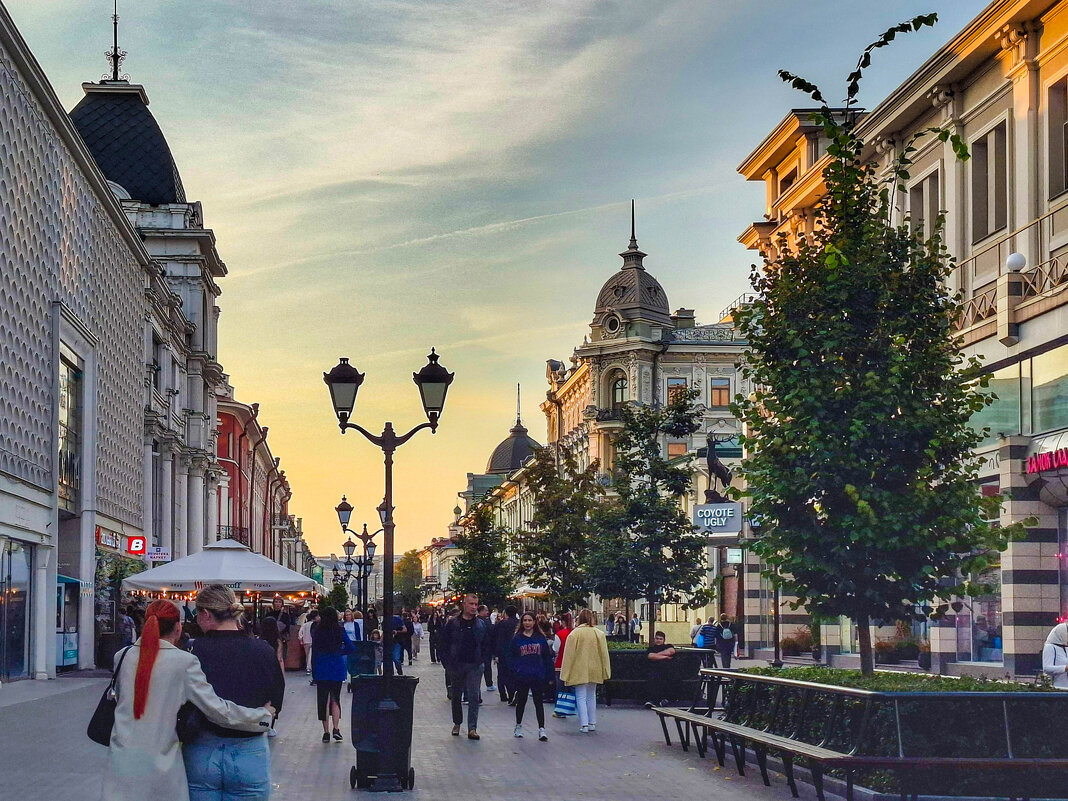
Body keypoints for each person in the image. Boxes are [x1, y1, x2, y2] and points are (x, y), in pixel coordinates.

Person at [102, 599, 274, 801]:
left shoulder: (122, 657)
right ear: (178, 627)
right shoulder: (184, 662)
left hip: (121, 762)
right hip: (162, 766)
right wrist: (261, 717)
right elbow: (217, 711)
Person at [185, 585, 285, 798]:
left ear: (205, 614)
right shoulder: (263, 651)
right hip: (250, 748)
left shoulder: (192, 652)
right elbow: (277, 698)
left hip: (202, 746)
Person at [439, 593, 490, 739]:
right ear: (464, 604)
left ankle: (472, 728)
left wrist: (483, 661)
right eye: (471, 604)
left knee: (474, 696)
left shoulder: (480, 624)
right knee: (456, 695)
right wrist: (447, 663)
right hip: (456, 664)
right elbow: (444, 643)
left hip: (474, 664)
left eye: (476, 604)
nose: (474, 607)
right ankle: (457, 722)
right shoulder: (453, 623)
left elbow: (486, 643)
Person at [560, 608, 611, 733]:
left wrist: (565, 673)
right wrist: (606, 670)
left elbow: (569, 655)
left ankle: (584, 724)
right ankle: (592, 722)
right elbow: (604, 654)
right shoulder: (599, 634)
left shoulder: (574, 634)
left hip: (579, 669)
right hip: (595, 668)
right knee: (591, 695)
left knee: (581, 696)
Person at [311, 607, 355, 743]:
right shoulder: (339, 630)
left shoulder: (317, 631)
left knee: (323, 700)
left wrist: (314, 671)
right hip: (336, 666)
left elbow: (314, 652)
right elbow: (352, 648)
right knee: (335, 698)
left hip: (322, 667)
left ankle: (326, 732)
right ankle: (336, 728)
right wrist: (340, 652)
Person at [508, 612, 554, 741]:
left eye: (530, 620)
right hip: (522, 674)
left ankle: (542, 729)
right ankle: (518, 725)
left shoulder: (540, 638)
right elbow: (511, 656)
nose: (527, 623)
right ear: (522, 623)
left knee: (538, 702)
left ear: (534, 622)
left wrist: (549, 675)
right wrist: (515, 671)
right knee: (521, 701)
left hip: (537, 674)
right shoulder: (517, 638)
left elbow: (547, 658)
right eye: (525, 620)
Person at [491, 605, 519, 703]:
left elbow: (496, 639)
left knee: (502, 674)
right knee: (515, 674)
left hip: (503, 652)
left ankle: (504, 694)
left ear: (506, 613)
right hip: (517, 653)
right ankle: (515, 692)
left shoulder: (502, 624)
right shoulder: (520, 623)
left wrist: (495, 654)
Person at [643, 631, 677, 708]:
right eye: (657, 638)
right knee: (653, 678)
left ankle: (663, 699)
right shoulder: (651, 648)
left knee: (666, 678)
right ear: (654, 639)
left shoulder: (668, 646)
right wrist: (665, 657)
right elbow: (650, 656)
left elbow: (671, 651)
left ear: (664, 640)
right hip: (654, 670)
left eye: (660, 639)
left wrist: (657, 656)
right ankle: (652, 701)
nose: (658, 640)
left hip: (667, 670)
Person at [552, 612, 574, 719]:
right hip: (574, 665)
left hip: (560, 664)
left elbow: (555, 649)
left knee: (560, 688)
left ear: (563, 621)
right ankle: (570, 708)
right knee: (571, 688)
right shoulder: (575, 633)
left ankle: (559, 710)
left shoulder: (560, 634)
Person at [1043, 622, 1068, 689]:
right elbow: (1046, 668)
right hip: (1058, 688)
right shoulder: (1050, 647)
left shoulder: (1066, 647)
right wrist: (1065, 668)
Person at [477, 605, 495, 691]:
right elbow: (491, 632)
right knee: (487, 666)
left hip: (480, 647)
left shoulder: (476, 620)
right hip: (486, 647)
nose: (487, 612)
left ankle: (478, 686)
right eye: (486, 610)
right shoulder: (485, 621)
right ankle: (489, 684)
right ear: (481, 611)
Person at [298, 610, 318, 681]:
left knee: (307, 655)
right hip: (313, 641)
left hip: (306, 641)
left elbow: (300, 633)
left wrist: (301, 639)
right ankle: (313, 667)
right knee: (312, 655)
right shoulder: (315, 624)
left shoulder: (305, 625)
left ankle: (308, 668)